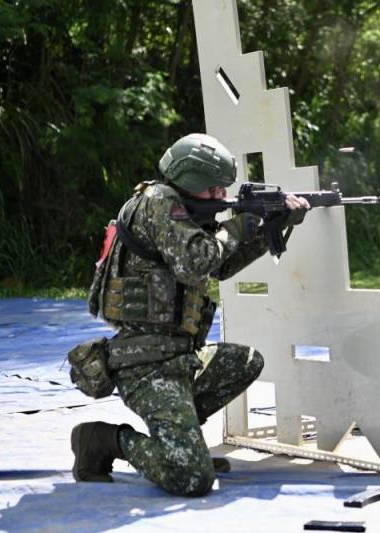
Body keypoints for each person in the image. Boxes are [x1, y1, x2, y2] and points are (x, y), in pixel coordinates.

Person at [71, 133, 309, 496]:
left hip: (180, 358)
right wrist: (237, 227)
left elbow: (221, 266)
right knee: (191, 478)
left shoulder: (182, 212)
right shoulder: (160, 203)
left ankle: (181, 442)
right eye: (213, 188)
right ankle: (103, 440)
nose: (221, 195)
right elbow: (197, 262)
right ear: (191, 179)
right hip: (145, 364)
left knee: (246, 361)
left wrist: (274, 226)